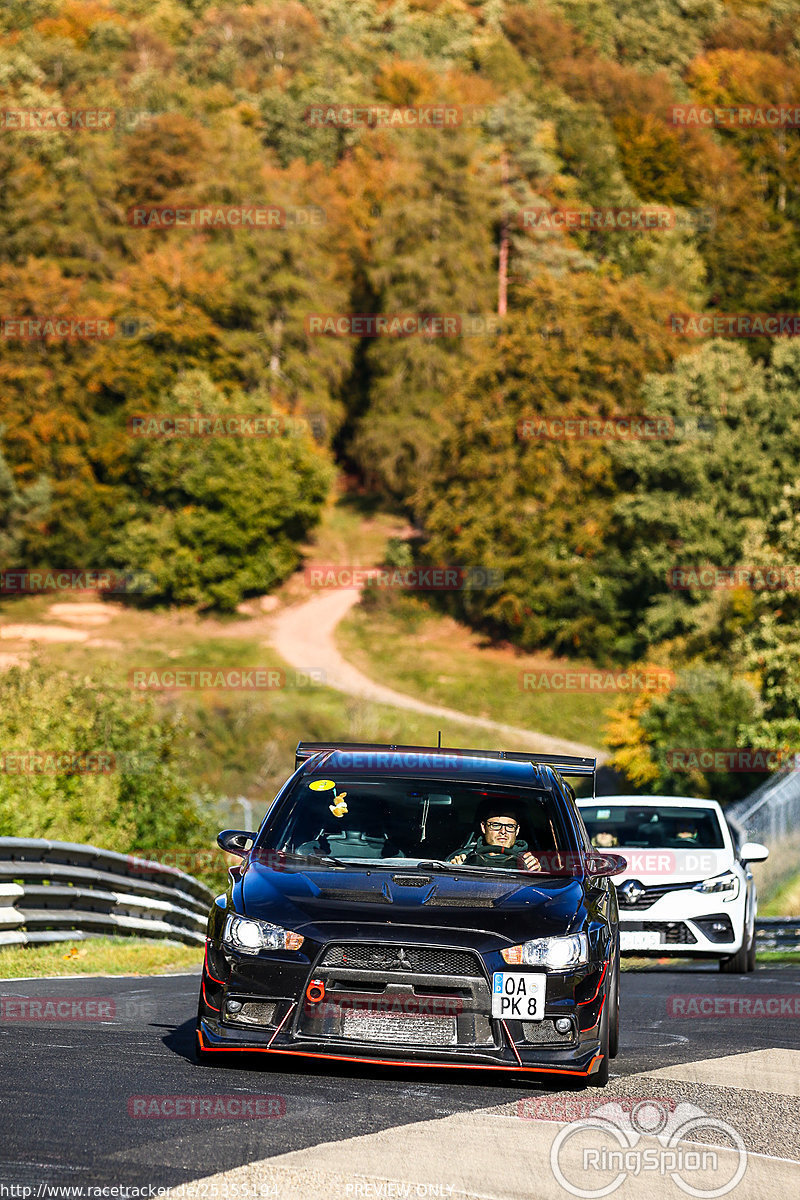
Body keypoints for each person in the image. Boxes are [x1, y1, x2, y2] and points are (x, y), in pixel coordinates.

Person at [447, 805, 540, 870]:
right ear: (483, 827)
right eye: (495, 825)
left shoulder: (528, 861)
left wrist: (536, 873)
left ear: (517, 830)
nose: (503, 831)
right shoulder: (465, 857)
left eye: (510, 826)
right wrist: (456, 868)